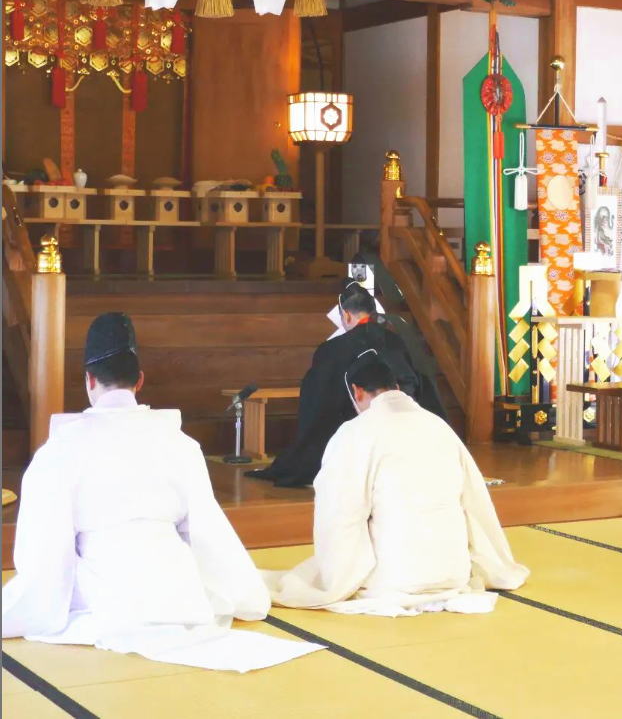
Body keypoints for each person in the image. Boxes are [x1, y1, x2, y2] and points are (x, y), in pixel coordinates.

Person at [2, 313, 321, 671]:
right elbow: (206, 531)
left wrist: (33, 604)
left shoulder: (60, 450)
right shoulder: (178, 441)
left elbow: (46, 549)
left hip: (107, 590)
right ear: (140, 380)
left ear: (88, 380)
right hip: (177, 590)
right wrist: (239, 588)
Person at [263, 354, 529, 616]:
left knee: (313, 570)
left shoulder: (356, 432)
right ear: (396, 387)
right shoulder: (439, 426)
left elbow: (339, 513)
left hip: (393, 577)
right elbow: (475, 501)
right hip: (454, 573)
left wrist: (337, 577)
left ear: (357, 392)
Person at [249, 279, 445, 487]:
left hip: (355, 429)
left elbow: (317, 401)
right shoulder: (396, 341)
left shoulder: (333, 349)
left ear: (346, 315)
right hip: (403, 426)